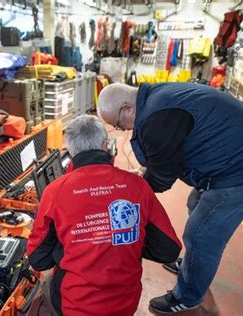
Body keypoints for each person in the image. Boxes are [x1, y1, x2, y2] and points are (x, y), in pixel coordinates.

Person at [96, 82, 243, 313]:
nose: (122, 130)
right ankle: (193, 266)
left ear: (127, 108)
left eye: (117, 124)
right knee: (194, 202)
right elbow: (166, 160)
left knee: (201, 234)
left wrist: (127, 190)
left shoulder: (157, 120)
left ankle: (187, 296)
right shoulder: (156, 98)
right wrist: (144, 176)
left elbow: (162, 178)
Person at [26, 114, 182, 315]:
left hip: (76, 306)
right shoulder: (138, 186)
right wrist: (126, 241)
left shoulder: (55, 192)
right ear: (106, 145)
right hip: (126, 304)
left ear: (70, 150)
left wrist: (77, 242)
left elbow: (38, 259)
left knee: (45, 285)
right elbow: (168, 250)